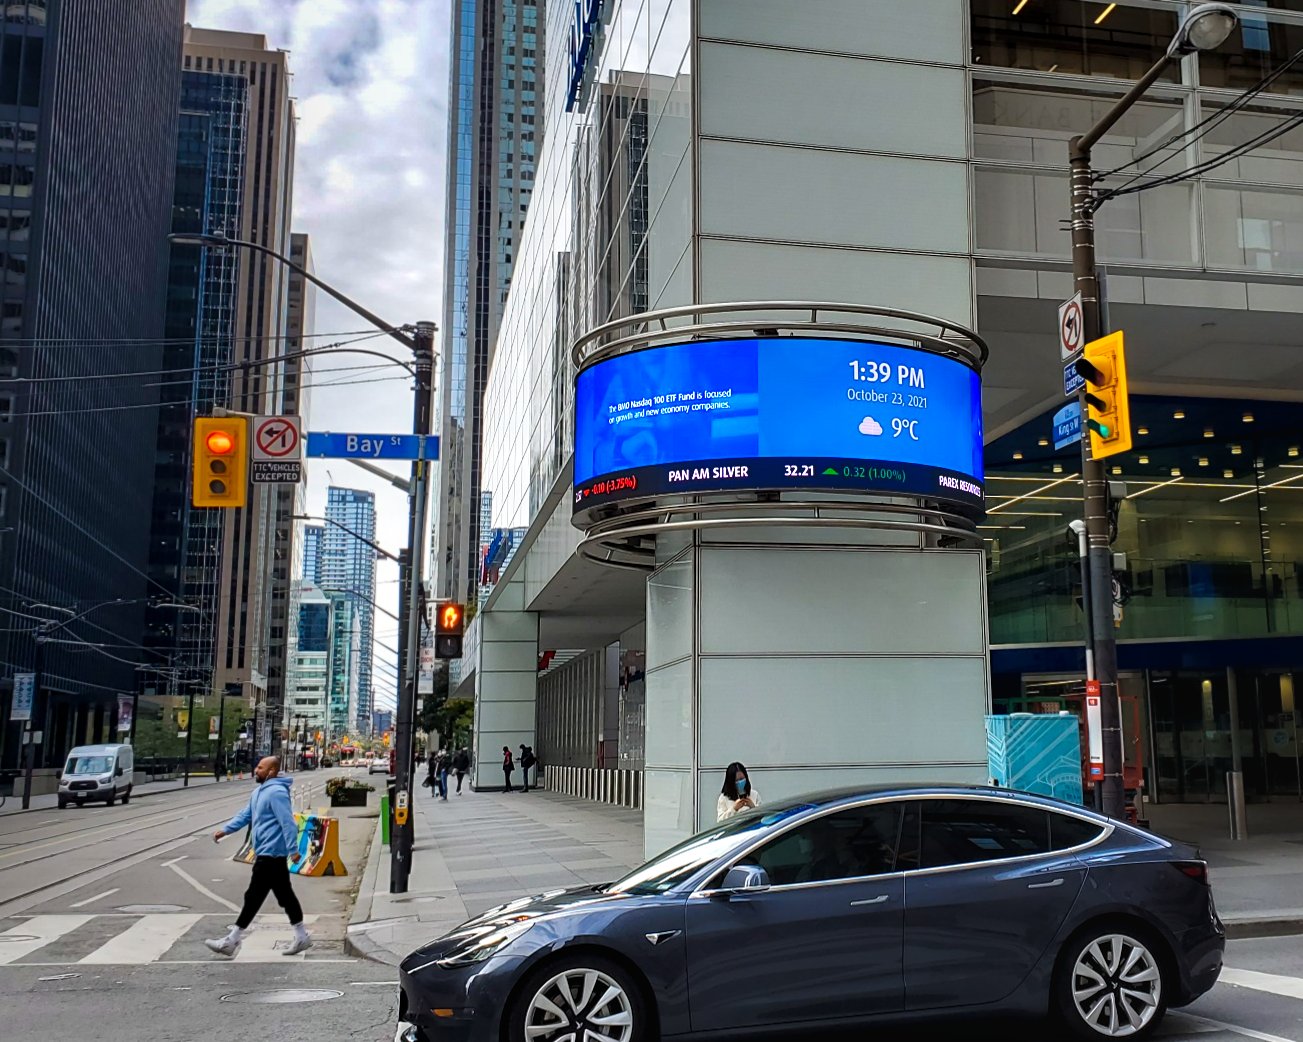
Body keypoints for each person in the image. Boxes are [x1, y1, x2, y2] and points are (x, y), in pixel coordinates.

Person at [206, 756, 312, 957]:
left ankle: (232, 939)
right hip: (266, 852)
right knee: (284, 896)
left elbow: (288, 823)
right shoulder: (258, 792)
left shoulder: (277, 793)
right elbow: (246, 815)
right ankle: (301, 936)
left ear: (271, 771)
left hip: (271, 853)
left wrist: (293, 850)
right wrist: (225, 830)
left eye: (260, 767)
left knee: (254, 896)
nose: (256, 770)